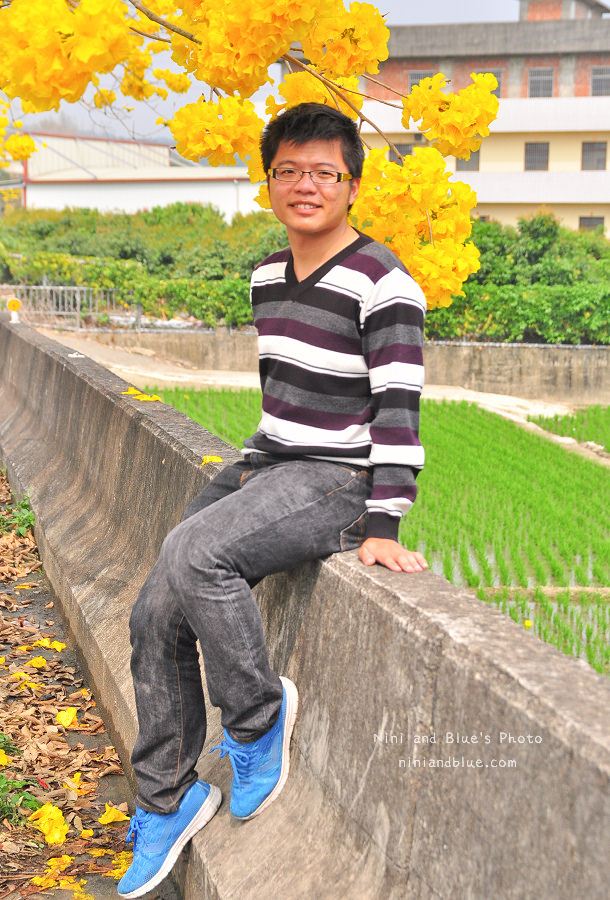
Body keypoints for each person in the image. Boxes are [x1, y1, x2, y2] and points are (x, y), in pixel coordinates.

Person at [117, 102, 428, 899]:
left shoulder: (384, 283)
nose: (305, 185)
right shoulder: (264, 275)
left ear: (351, 186)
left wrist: (384, 519)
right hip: (273, 460)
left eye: (324, 171)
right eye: (288, 170)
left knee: (198, 553)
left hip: (340, 481)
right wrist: (251, 473)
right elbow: (284, 398)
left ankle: (256, 720)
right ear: (268, 183)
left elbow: (397, 406)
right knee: (154, 608)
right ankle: (168, 796)